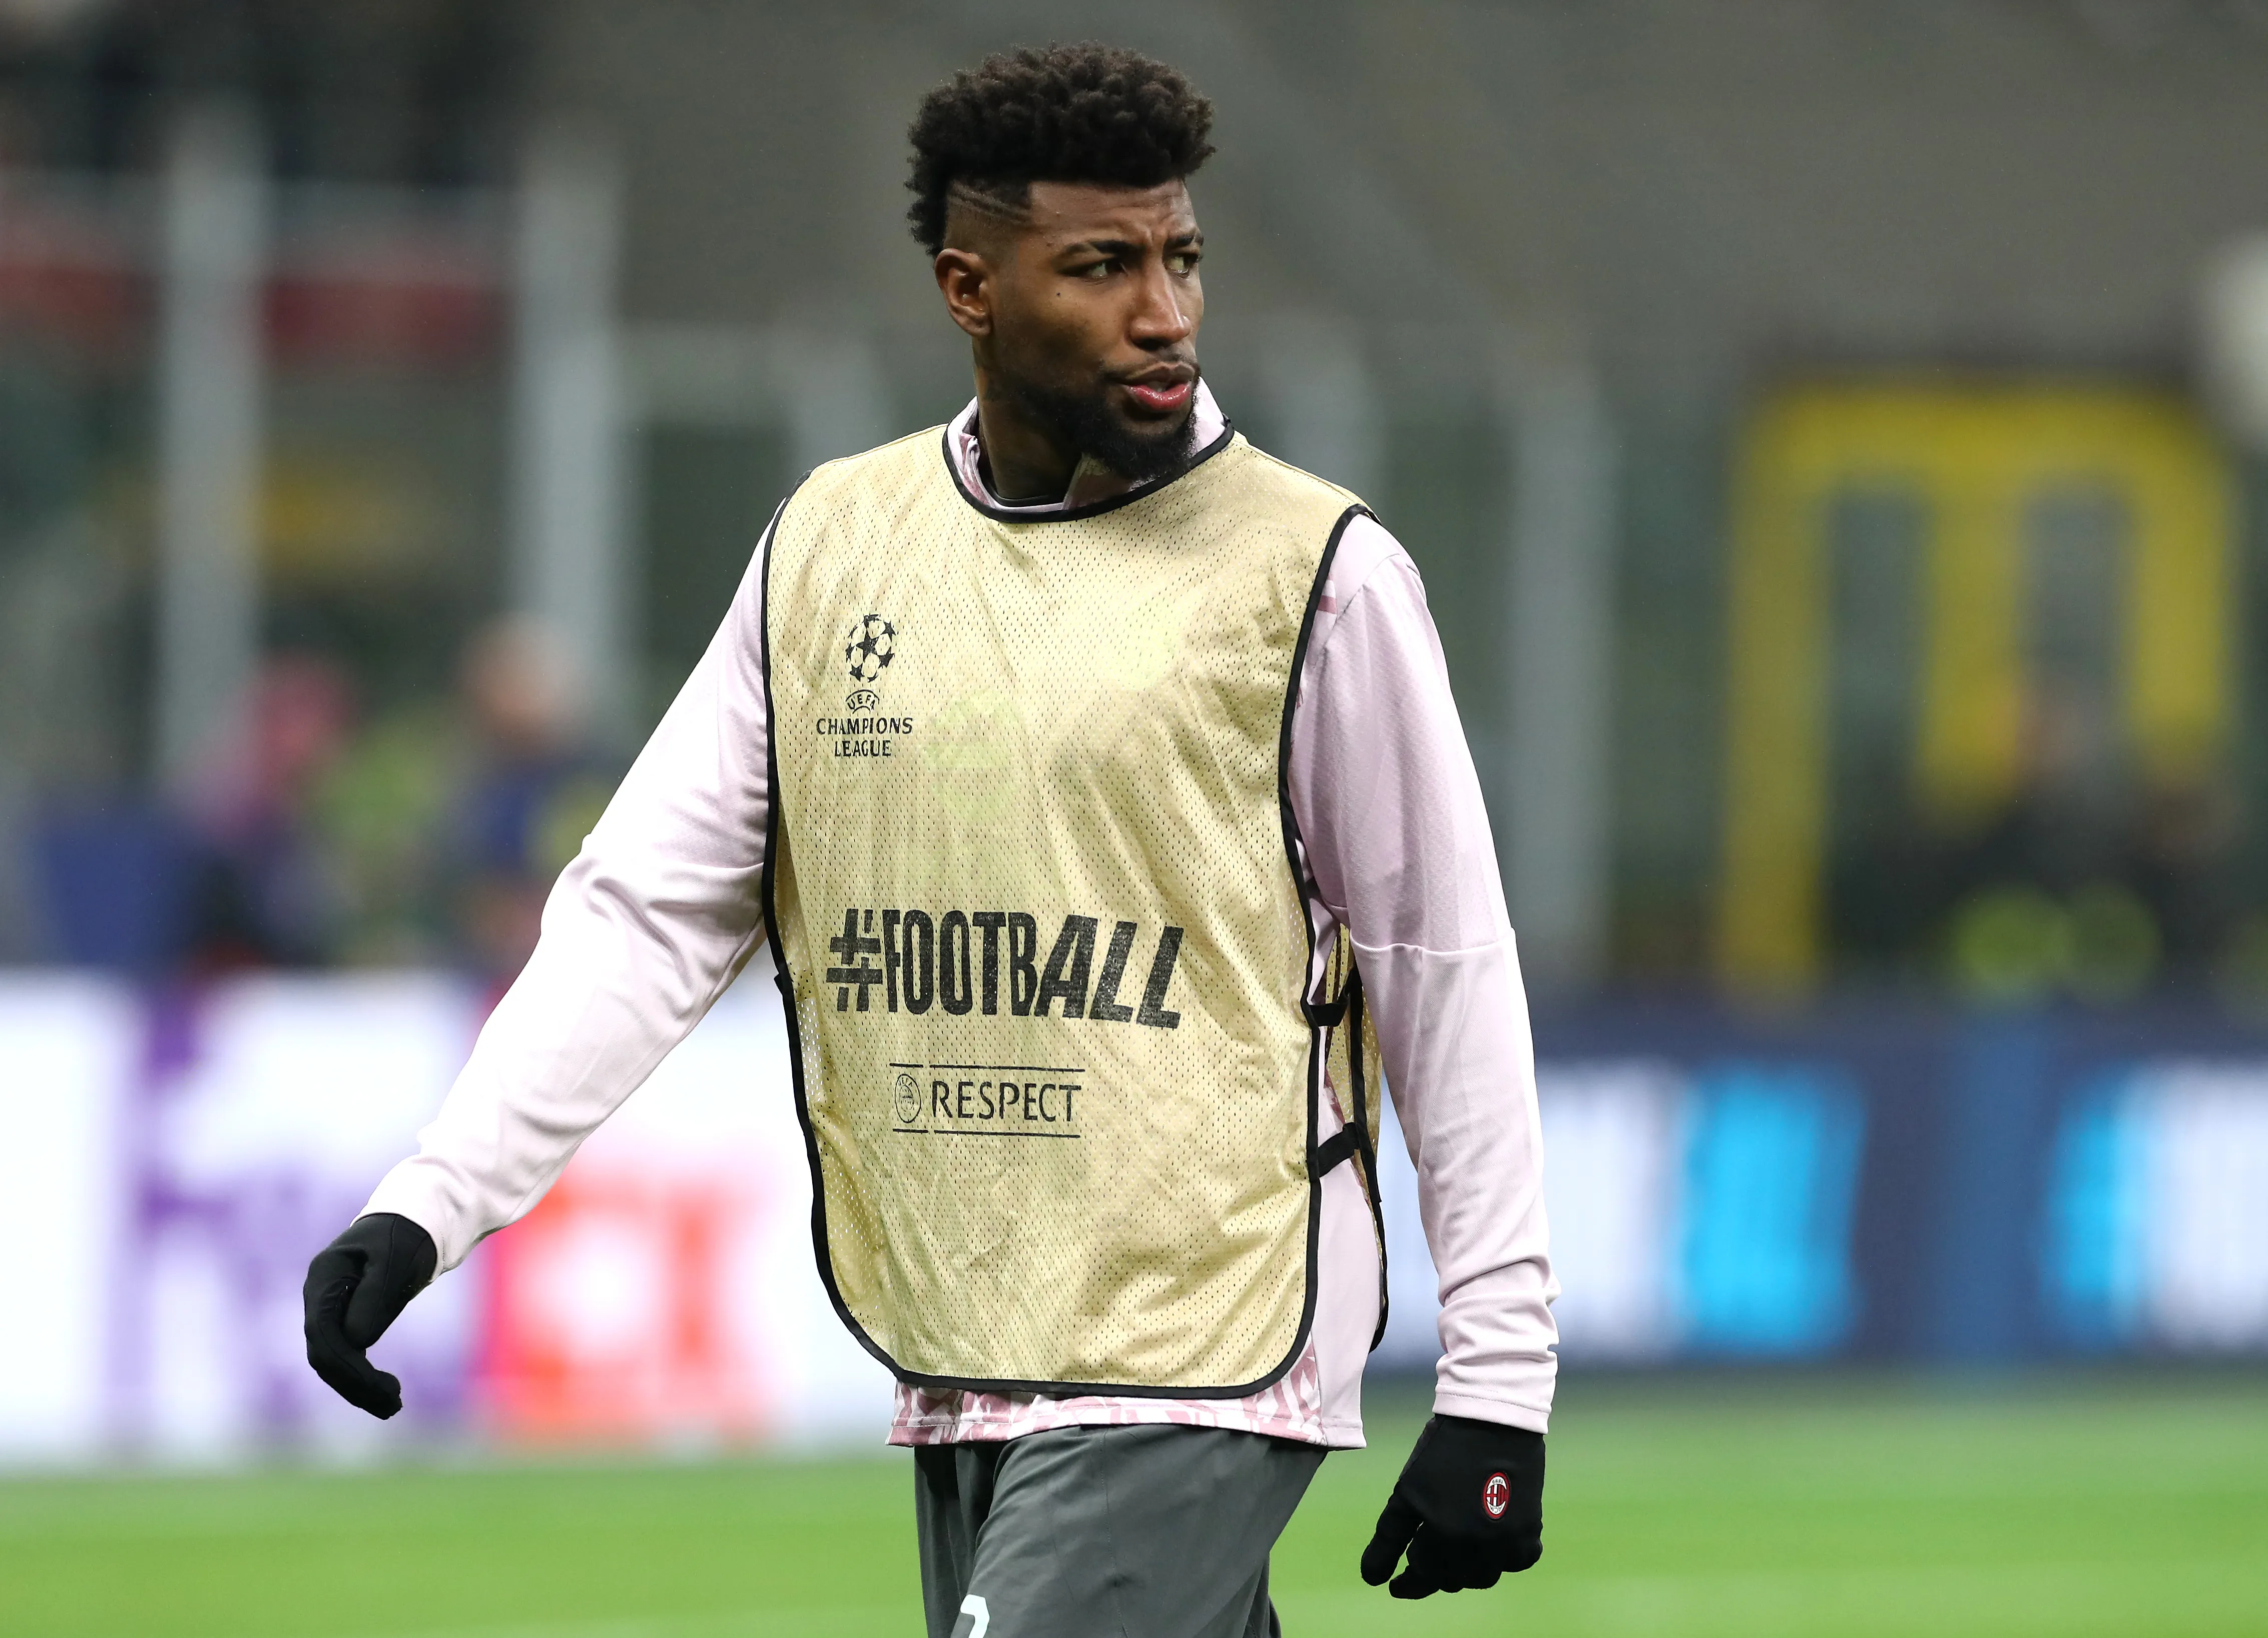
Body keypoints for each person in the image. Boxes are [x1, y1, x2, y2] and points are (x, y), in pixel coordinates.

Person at [304, 43, 1555, 1636]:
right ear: (970, 287)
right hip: (969, 1344)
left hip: (1205, 1334)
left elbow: (1443, 965)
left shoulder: (1317, 574)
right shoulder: (834, 547)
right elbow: (646, 915)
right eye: (1098, 267)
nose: (1162, 311)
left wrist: (1497, 1377)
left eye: (1178, 258)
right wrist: (433, 1200)